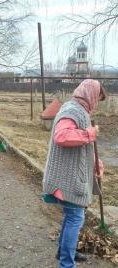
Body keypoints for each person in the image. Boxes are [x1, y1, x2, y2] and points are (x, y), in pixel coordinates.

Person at [42, 79, 106, 268]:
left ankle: (63, 252)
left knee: (71, 217)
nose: (96, 103)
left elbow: (82, 149)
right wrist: (89, 134)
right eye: (97, 98)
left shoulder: (80, 111)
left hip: (70, 178)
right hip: (67, 180)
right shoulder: (72, 111)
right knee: (75, 218)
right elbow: (62, 136)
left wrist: (96, 164)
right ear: (90, 95)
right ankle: (66, 263)